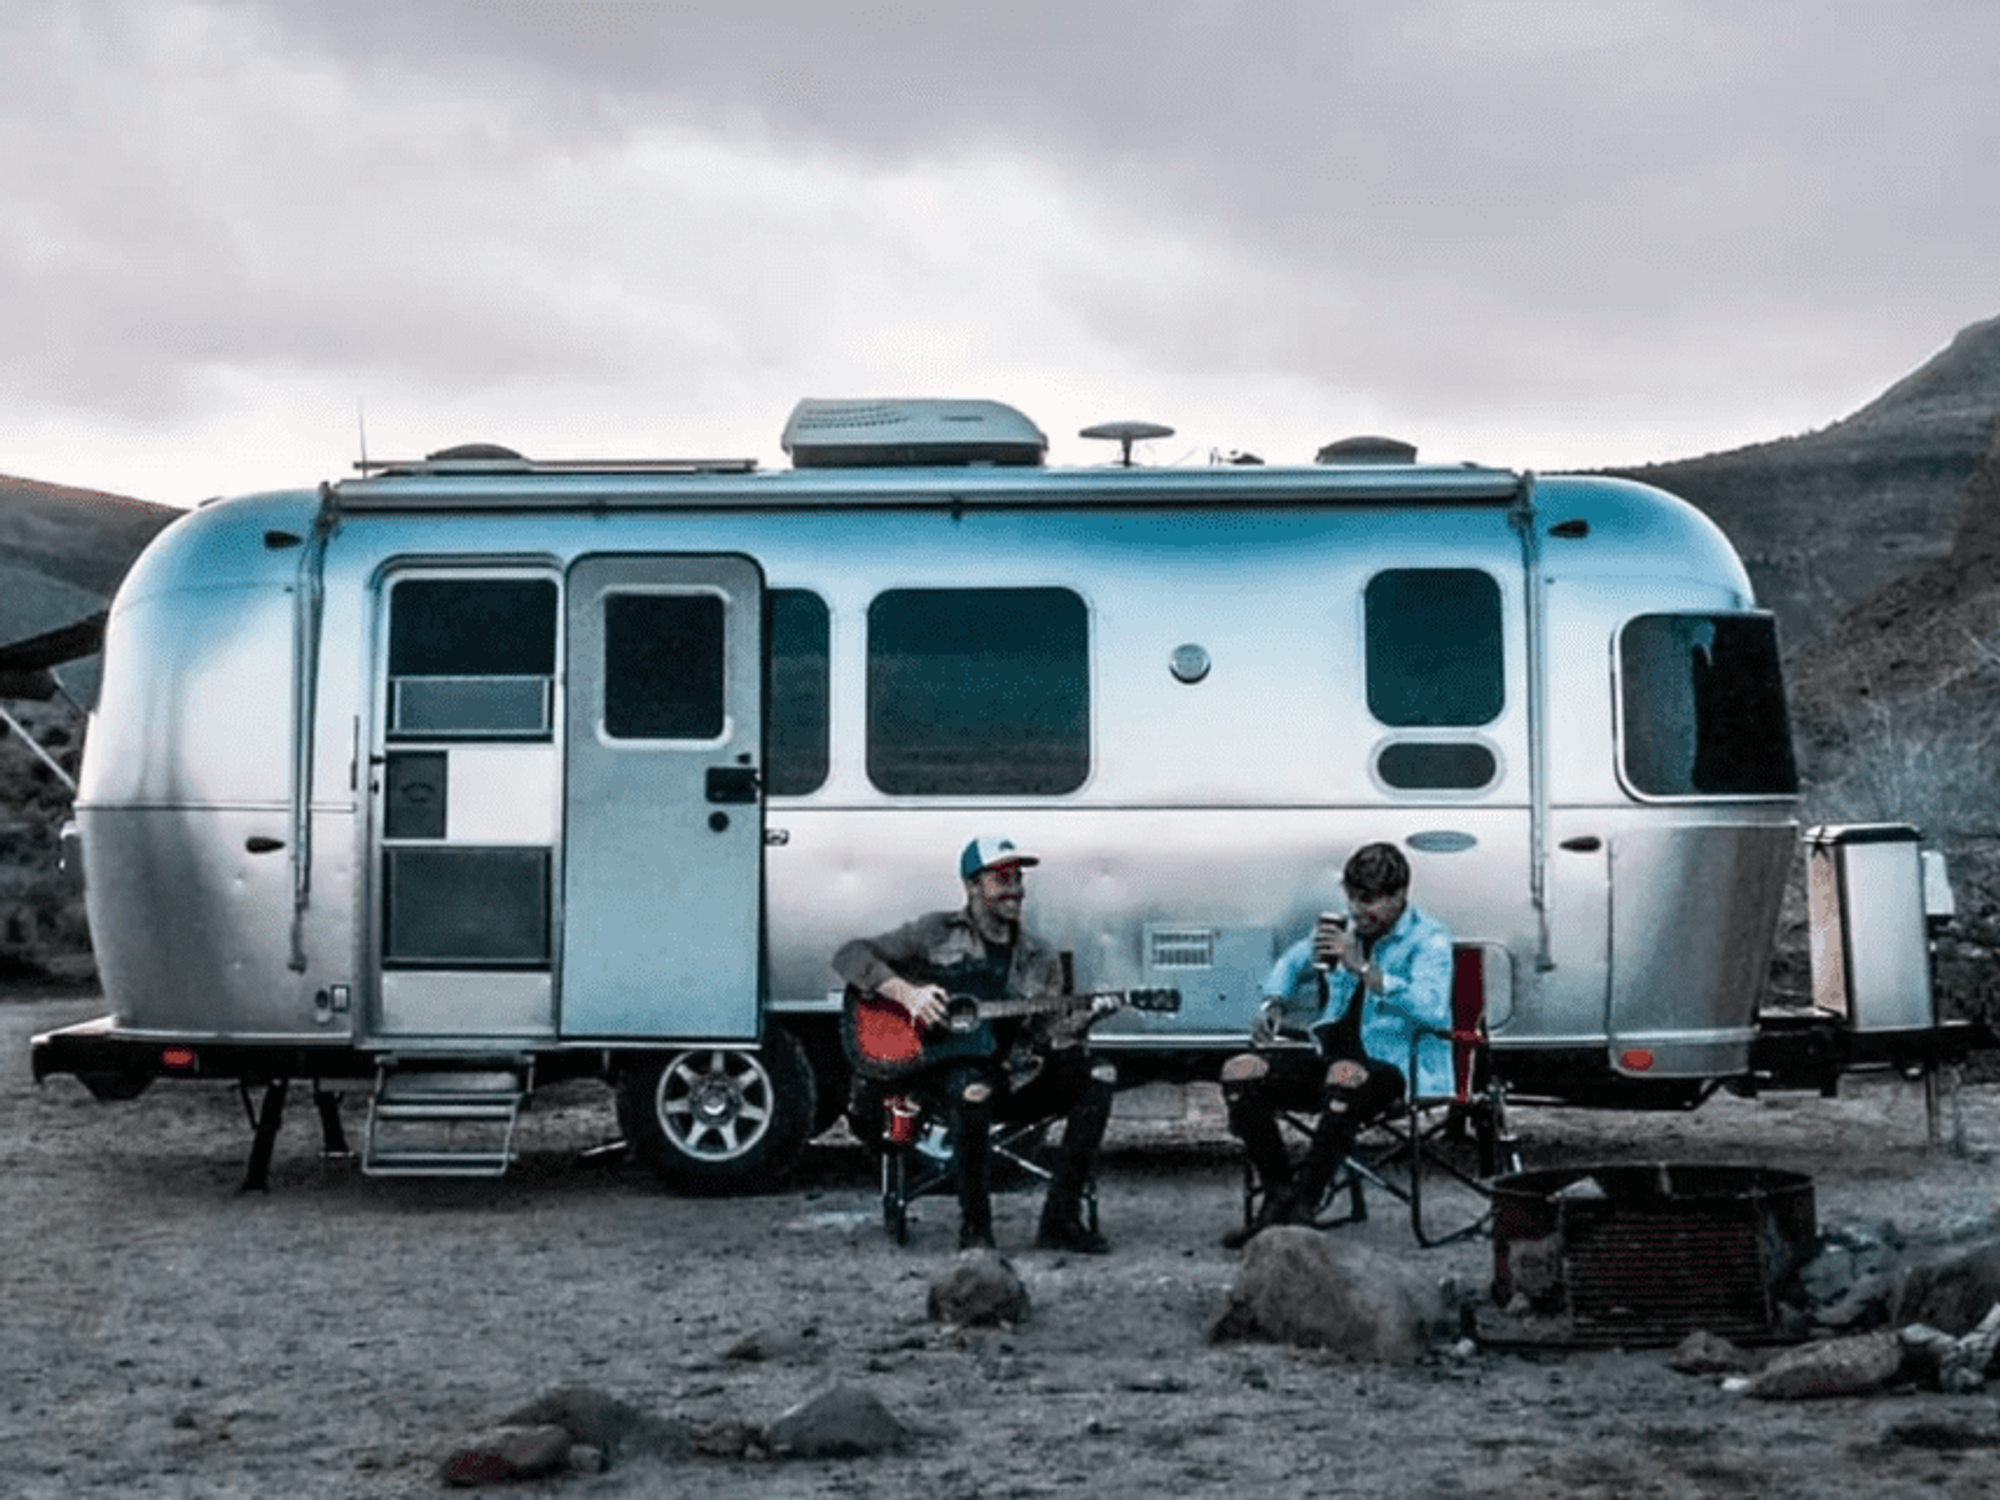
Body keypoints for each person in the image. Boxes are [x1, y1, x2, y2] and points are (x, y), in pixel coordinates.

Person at [833, 836, 1118, 1254]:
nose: (1015, 888)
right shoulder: (933, 933)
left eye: (1018, 878)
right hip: (948, 1076)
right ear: (971, 886)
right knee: (972, 1089)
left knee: (1099, 1075)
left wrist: (1086, 1019)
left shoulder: (1038, 956)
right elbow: (849, 956)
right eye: (1001, 878)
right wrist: (907, 995)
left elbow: (1047, 1036)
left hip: (1018, 1075)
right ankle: (976, 1228)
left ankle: (1060, 1220)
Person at [1219, 842, 1454, 1249]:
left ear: (1399, 895)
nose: (1358, 910)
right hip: (1331, 1061)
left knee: (1345, 1078)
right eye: (1352, 898)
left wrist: (1363, 969)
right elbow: (1291, 962)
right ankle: (1279, 1196)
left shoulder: (1427, 939)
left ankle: (1304, 1204)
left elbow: (1432, 1009)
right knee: (1241, 1072)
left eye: (1369, 900)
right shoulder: (1341, 929)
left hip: (1396, 1067)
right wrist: (1274, 1003)